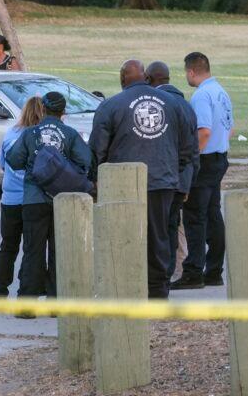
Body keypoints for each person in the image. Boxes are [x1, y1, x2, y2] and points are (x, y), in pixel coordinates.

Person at [88, 60, 196, 299]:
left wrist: (99, 178)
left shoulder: (111, 105)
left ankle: (125, 286)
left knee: (124, 235)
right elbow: (188, 146)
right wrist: (172, 169)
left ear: (121, 78)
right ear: (146, 77)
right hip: (162, 181)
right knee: (159, 236)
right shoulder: (173, 103)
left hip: (122, 182)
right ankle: (157, 289)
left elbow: (97, 149)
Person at [5, 92, 93, 300]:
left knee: (32, 251)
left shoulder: (30, 133)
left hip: (34, 199)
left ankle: (27, 302)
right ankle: (55, 300)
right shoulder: (70, 134)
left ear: (42, 109)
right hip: (61, 199)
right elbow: (85, 160)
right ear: (63, 111)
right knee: (58, 251)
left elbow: (14, 160)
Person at [172, 52, 234, 290]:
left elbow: (204, 131)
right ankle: (214, 270)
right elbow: (229, 127)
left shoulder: (201, 96)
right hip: (220, 158)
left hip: (205, 161)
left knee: (194, 217)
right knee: (212, 214)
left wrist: (191, 159)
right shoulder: (221, 92)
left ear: (191, 71)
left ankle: (193, 272)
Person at [144, 61, 200, 283]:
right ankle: (166, 272)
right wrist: (187, 180)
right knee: (170, 225)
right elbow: (192, 149)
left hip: (161, 178)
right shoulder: (185, 105)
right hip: (181, 179)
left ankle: (159, 275)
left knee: (157, 228)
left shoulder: (158, 104)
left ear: (149, 78)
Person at [0, 96, 46, 297]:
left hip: (10, 199)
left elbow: (2, 163)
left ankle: (1, 289)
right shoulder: (41, 136)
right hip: (33, 199)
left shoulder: (11, 133)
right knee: (31, 248)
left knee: (8, 246)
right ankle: (26, 288)